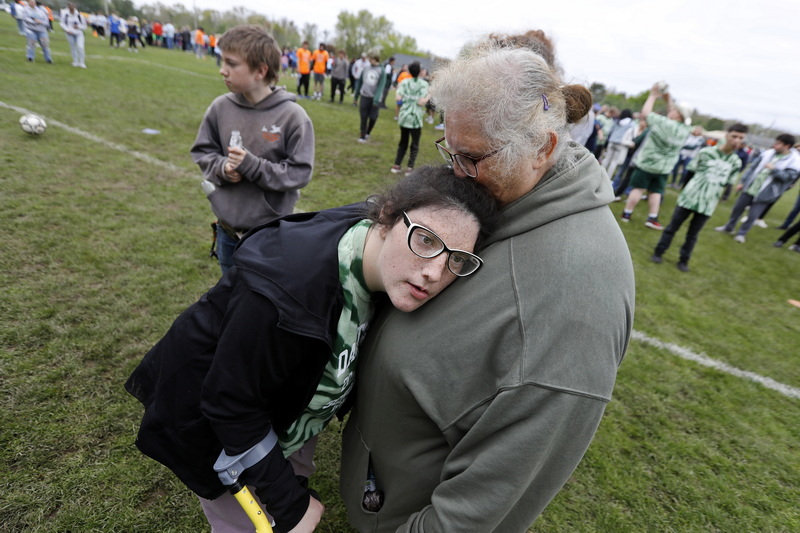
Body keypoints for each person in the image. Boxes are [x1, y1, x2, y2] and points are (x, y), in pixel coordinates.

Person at [340, 32, 635, 532]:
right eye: (449, 149)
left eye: (471, 158)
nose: (454, 173)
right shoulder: (503, 193)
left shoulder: (575, 297)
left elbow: (485, 507)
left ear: (542, 148)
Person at [125, 166, 499, 533]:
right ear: (385, 218)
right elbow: (230, 403)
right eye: (427, 240)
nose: (435, 271)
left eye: (456, 259)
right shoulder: (283, 292)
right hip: (213, 427)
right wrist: (289, 505)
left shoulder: (385, 259)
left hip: (288, 412)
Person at [191, 25, 315, 274]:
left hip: (269, 233)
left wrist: (252, 166)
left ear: (260, 70)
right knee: (229, 292)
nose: (222, 70)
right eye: (222, 60)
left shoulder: (293, 117)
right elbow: (203, 152)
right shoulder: (220, 108)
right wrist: (223, 169)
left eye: (231, 63)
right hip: (227, 228)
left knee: (263, 298)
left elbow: (299, 173)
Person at [651, 123, 748, 272]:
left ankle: (684, 260)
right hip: (689, 198)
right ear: (727, 135)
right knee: (672, 227)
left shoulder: (736, 162)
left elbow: (728, 182)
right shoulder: (706, 152)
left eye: (740, 138)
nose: (736, 140)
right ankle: (659, 251)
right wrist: (688, 191)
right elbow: (690, 172)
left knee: (693, 234)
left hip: (708, 204)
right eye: (734, 136)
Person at [620, 83, 693, 229]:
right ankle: (652, 218)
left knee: (638, 189)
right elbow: (674, 114)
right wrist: (668, 100)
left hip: (647, 163)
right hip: (664, 168)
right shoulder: (686, 129)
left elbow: (645, 114)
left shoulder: (663, 123)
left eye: (674, 110)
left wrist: (653, 95)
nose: (670, 111)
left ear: (678, 114)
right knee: (656, 192)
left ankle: (627, 213)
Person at [715, 134, 800, 243]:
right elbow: (752, 167)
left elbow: (787, 178)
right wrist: (742, 181)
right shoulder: (767, 153)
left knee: (753, 215)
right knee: (737, 208)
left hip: (766, 192)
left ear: (787, 146)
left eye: (779, 143)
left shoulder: (795, 161)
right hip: (751, 187)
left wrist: (774, 170)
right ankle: (728, 227)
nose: (775, 145)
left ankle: (741, 233)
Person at [390, 61, 429, 175]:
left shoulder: (404, 82)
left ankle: (397, 165)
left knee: (403, 142)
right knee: (415, 144)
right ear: (420, 71)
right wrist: (428, 96)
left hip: (404, 116)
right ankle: (410, 168)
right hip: (415, 118)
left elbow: (398, 98)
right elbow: (421, 102)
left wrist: (406, 101)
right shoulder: (423, 84)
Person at [355, 52, 386, 143]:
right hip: (364, 96)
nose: (369, 60)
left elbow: (381, 86)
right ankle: (362, 136)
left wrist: (376, 99)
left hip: (375, 99)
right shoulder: (366, 68)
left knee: (373, 117)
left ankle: (368, 132)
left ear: (375, 58)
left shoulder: (382, 70)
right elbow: (360, 82)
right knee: (363, 117)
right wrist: (356, 95)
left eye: (371, 58)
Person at [600, 108, 635, 181]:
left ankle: (600, 174)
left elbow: (611, 131)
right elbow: (632, 134)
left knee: (607, 159)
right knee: (614, 162)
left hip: (612, 141)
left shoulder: (617, 121)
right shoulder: (631, 123)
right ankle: (607, 178)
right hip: (620, 144)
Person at [59, 2, 86, 68]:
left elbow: (85, 26)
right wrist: (67, 30)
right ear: (68, 8)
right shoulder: (65, 15)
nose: (72, 10)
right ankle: (75, 61)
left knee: (80, 47)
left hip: (79, 33)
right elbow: (62, 23)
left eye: (73, 8)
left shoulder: (79, 15)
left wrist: (78, 27)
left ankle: (82, 63)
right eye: (70, 8)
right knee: (73, 47)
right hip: (69, 33)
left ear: (75, 8)